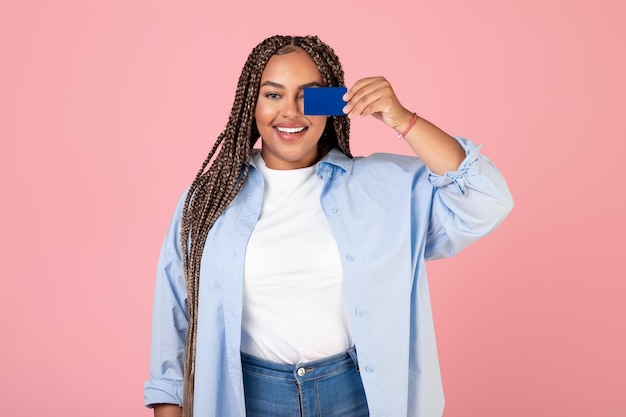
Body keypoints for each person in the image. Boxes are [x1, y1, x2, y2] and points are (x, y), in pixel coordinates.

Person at [144, 35, 513, 417]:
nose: (290, 112)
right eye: (273, 95)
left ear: (333, 105)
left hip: (355, 396)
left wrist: (403, 119)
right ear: (250, 104)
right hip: (246, 397)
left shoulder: (386, 188)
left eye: (309, 96)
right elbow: (175, 314)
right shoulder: (210, 198)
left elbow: (486, 200)